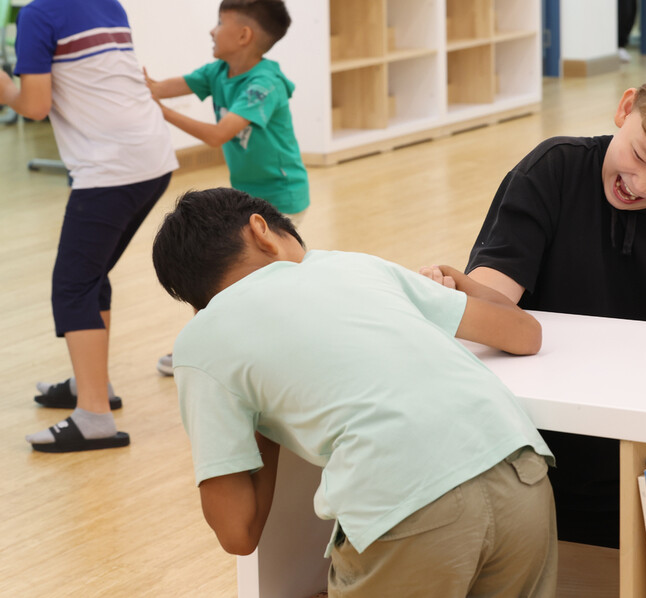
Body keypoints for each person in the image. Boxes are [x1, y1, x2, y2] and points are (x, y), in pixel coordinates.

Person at [151, 187, 558, 598]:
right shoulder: (354, 265)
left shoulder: (203, 340)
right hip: (521, 475)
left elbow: (237, 532)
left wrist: (257, 415)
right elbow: (525, 334)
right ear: (262, 230)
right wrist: (461, 282)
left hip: (405, 503)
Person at [463, 54, 646, 549]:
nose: (641, 184)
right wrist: (453, 287)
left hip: (631, 464)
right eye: (641, 156)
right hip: (522, 447)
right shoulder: (552, 170)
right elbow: (491, 297)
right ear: (626, 108)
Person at [0, 0, 178, 452]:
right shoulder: (107, 3)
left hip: (111, 168)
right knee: (91, 276)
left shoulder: (39, 15)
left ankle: (94, 415)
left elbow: (35, 106)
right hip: (152, 159)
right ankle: (92, 387)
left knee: (73, 286)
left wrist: (4, 86)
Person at [143, 0, 309, 376]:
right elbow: (165, 86)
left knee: (260, 273)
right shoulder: (217, 71)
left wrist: (162, 110)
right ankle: (215, 343)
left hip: (283, 195)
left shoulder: (263, 84)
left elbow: (219, 135)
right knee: (235, 270)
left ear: (244, 35)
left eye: (219, 23)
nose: (211, 31)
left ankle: (264, 344)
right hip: (245, 195)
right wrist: (144, 87)